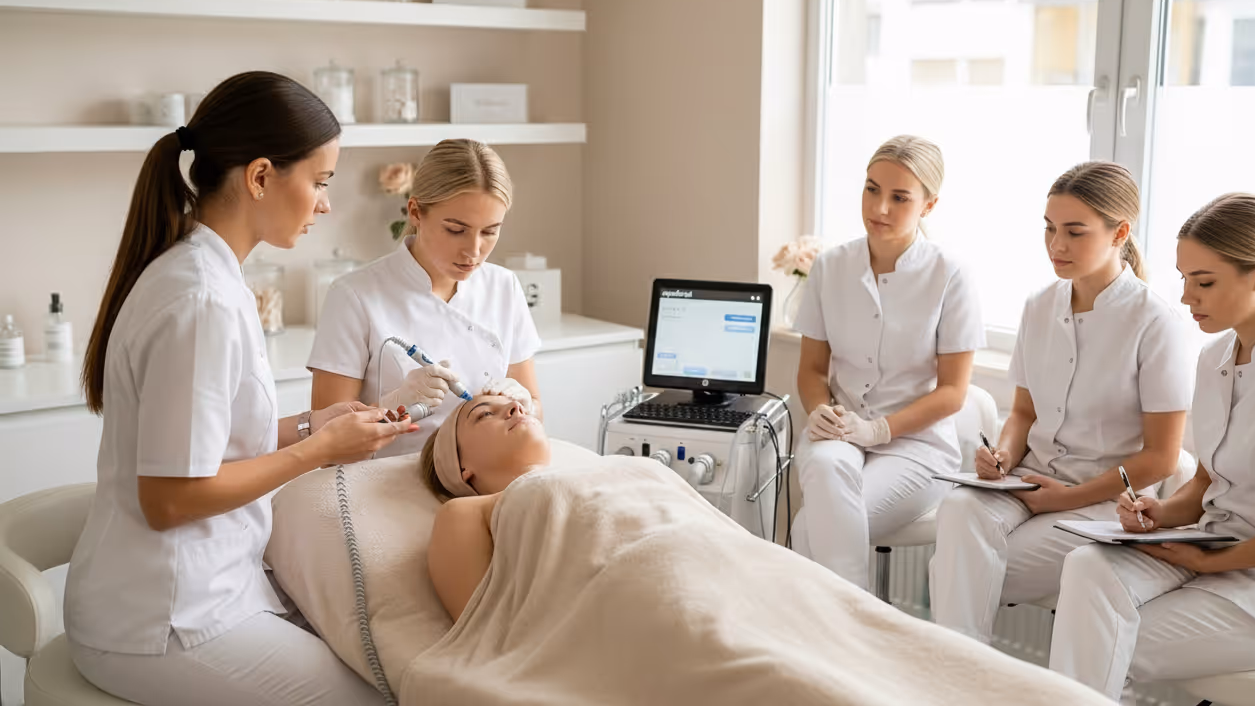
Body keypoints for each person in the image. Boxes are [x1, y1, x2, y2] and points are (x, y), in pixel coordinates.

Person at [64, 71, 416, 706]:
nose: (326, 204)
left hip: (197, 590)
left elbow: (209, 444)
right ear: (259, 177)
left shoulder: (202, 273)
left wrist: (313, 425)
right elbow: (170, 498)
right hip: (161, 621)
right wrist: (317, 451)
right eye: (321, 181)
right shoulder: (201, 300)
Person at [397, 395, 1109, 706]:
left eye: (514, 403)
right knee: (786, 677)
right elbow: (496, 624)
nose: (512, 405)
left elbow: (718, 535)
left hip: (750, 574)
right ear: (462, 467)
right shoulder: (469, 510)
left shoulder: (607, 469)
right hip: (651, 602)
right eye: (483, 413)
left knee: (888, 644)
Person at [1048, 193, 1255, 702]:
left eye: (1204, 282)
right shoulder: (1215, 356)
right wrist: (1160, 513)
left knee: (1097, 642)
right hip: (1214, 546)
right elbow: (1207, 480)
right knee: (1087, 566)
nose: (1186, 297)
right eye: (1183, 279)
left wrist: (1213, 563)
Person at [928, 161, 1193, 642]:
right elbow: (1023, 413)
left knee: (959, 571)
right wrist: (1004, 453)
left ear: (1120, 233)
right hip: (1028, 482)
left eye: (1074, 231)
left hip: (1102, 501)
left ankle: (953, 671)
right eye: (1049, 228)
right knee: (959, 510)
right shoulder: (1039, 306)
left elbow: (1162, 457)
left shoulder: (1156, 323)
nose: (1057, 245)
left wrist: (1066, 498)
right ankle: (959, 672)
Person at [788, 134, 984, 588]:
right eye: (872, 189)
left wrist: (878, 430)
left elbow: (953, 392)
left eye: (900, 197)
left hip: (916, 446)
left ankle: (839, 622)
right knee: (826, 468)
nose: (879, 208)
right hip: (839, 429)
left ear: (929, 205)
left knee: (809, 530)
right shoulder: (830, 267)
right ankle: (855, 623)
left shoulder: (950, 274)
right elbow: (812, 370)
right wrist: (820, 410)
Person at [309, 138, 541, 458]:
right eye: (456, 230)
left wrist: (527, 405)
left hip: (485, 474)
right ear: (416, 211)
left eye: (490, 231)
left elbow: (537, 415)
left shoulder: (504, 287)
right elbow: (326, 445)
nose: (474, 251)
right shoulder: (354, 295)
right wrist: (393, 406)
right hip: (389, 478)